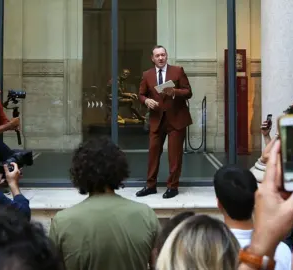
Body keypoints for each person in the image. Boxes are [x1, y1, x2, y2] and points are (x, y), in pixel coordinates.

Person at [49, 137, 160, 270]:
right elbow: (160, 265)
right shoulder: (146, 215)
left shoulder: (62, 222)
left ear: (79, 173)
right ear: (120, 170)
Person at [136, 45, 193, 199]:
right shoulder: (147, 75)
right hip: (156, 120)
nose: (160, 58)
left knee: (175, 156)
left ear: (166, 56)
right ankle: (150, 186)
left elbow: (188, 92)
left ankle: (172, 187)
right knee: (153, 154)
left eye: (163, 55)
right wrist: (146, 100)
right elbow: (140, 95)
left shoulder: (177, 71)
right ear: (152, 58)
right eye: (157, 56)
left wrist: (174, 91)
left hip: (176, 119)